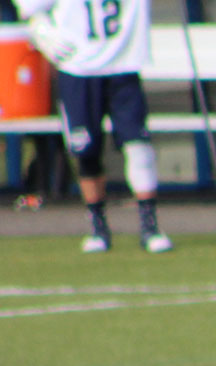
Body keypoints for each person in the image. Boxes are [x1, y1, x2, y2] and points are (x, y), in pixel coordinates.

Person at [21, 0, 171, 253]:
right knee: (86, 150)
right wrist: (43, 31)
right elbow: (30, 8)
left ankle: (149, 225)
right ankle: (98, 226)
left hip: (124, 64)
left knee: (138, 143)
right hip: (79, 68)